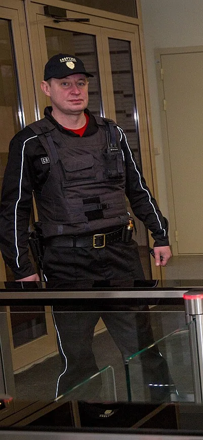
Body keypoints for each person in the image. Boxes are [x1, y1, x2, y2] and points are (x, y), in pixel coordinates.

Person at [0, 53, 173, 400]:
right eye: (65, 84)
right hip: (68, 263)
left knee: (144, 349)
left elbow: (137, 188)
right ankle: (80, 423)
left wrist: (160, 234)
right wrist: (22, 268)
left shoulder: (112, 133)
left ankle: (164, 416)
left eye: (80, 83)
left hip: (120, 256)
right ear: (46, 88)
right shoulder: (30, 142)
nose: (75, 90)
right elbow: (14, 208)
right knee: (77, 358)